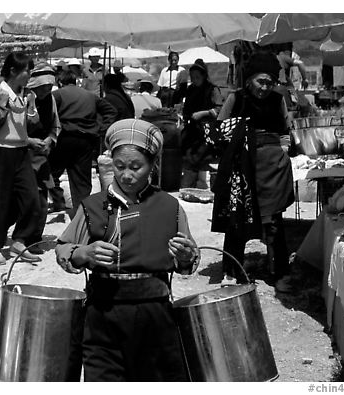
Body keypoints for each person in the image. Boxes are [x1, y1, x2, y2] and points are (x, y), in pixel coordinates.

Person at [55, 118, 200, 381]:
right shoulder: (92, 206)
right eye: (119, 166)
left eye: (136, 167)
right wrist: (84, 254)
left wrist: (186, 256)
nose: (126, 175)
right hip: (103, 315)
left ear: (153, 165)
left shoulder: (169, 207)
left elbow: (188, 263)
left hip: (155, 316)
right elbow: (64, 249)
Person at [212, 51, 295, 292]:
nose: (265, 87)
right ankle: (231, 269)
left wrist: (284, 152)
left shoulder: (277, 100)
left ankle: (279, 273)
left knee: (274, 221)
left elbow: (284, 131)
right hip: (243, 165)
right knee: (237, 218)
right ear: (249, 80)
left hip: (272, 166)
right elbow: (220, 130)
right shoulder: (236, 99)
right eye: (261, 81)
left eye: (270, 82)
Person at [0, 52, 42, 265]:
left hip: (21, 152)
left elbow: (33, 124)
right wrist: (3, 106)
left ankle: (19, 240)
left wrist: (31, 106)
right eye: (27, 70)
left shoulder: (25, 94)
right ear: (14, 71)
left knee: (32, 198)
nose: (29, 75)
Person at [49, 70, 118, 217]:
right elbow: (111, 111)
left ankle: (58, 200)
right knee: (81, 179)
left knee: (51, 173)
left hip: (64, 138)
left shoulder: (58, 95)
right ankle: (84, 213)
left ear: (59, 82)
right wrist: (101, 129)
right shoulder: (90, 95)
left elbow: (48, 115)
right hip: (86, 140)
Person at [25, 62, 62, 253]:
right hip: (23, 155)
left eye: (49, 87)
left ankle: (35, 238)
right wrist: (29, 140)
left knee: (41, 200)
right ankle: (23, 238)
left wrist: (50, 139)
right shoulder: (23, 99)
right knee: (27, 199)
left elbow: (56, 126)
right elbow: (13, 129)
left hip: (42, 156)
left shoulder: (51, 100)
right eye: (43, 87)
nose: (46, 90)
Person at [181, 58, 224, 189]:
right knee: (189, 158)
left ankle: (209, 187)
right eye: (192, 77)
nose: (194, 80)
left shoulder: (212, 89)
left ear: (204, 76)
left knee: (207, 159)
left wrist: (203, 113)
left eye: (197, 77)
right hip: (192, 130)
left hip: (207, 130)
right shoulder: (190, 90)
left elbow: (219, 110)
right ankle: (190, 186)